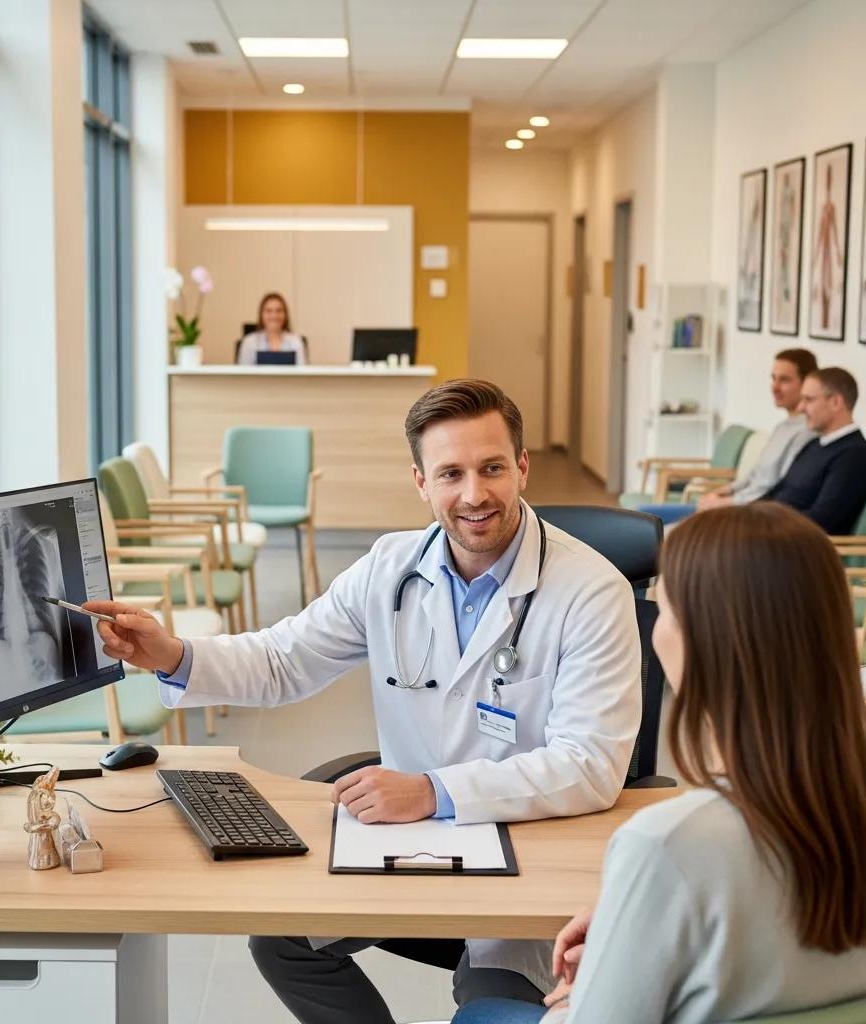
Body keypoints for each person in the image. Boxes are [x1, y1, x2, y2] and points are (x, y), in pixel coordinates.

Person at [87, 379, 642, 1023]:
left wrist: (431, 790)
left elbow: (591, 764)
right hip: (416, 852)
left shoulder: (591, 591)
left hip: (528, 864)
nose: (474, 494)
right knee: (284, 941)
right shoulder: (390, 569)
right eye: (450, 473)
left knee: (492, 1004)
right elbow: (282, 660)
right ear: (420, 482)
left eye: (492, 468)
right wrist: (173, 654)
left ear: (522, 467)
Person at [451, 502, 866, 1024]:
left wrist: (590, 990)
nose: (654, 630)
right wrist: (636, 930)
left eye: (665, 611)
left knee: (481, 1014)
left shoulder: (669, 845)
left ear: (704, 642)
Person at [639, 348, 817, 525]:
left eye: (784, 380)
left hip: (747, 513)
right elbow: (755, 474)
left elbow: (773, 488)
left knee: (651, 531)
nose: (775, 387)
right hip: (734, 503)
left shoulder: (805, 434)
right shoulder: (783, 427)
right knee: (643, 517)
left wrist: (726, 503)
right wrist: (723, 491)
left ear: (806, 384)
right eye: (773, 378)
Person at [759, 366, 866, 535]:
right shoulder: (814, 443)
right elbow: (777, 490)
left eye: (809, 400)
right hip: (772, 532)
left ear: (836, 403)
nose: (801, 408)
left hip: (799, 546)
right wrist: (748, 515)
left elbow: (821, 520)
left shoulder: (854, 455)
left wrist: (764, 524)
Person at [237, 292, 306, 365]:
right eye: (269, 311)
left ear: (285, 315)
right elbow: (244, 375)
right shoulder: (249, 342)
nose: (274, 316)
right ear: (261, 315)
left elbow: (302, 374)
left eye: (279, 311)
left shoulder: (295, 341)